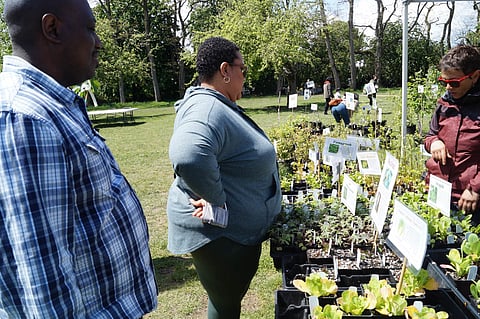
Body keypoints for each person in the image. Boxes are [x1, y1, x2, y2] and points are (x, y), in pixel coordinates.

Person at [0, 0, 158, 318]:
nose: (98, 42)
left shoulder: (50, 103)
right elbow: (44, 279)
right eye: (90, 28)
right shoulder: (26, 116)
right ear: (52, 29)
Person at [167, 37, 282, 319]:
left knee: (225, 302)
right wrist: (217, 203)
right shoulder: (206, 109)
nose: (245, 75)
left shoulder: (214, 104)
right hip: (225, 236)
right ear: (225, 70)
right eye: (242, 68)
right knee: (225, 304)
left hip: (230, 236)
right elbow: (188, 155)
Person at [424, 45, 480, 222]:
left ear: (475, 76)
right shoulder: (444, 104)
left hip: (469, 199)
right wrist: (434, 142)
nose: (448, 87)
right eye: (444, 81)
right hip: (438, 190)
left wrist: (475, 188)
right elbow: (430, 134)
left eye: (454, 82)